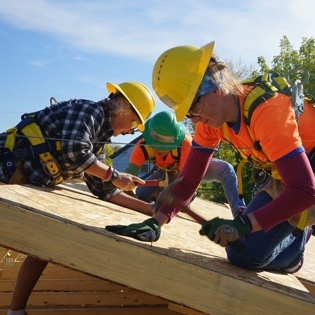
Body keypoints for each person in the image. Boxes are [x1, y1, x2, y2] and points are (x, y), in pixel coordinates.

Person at [106, 41, 315, 275]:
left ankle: (296, 245)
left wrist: (244, 224)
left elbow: (306, 190)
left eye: (193, 107)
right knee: (240, 252)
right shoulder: (210, 123)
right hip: (290, 172)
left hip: (308, 175)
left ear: (215, 86)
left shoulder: (267, 111)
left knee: (250, 252)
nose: (193, 120)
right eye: (188, 113)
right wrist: (157, 221)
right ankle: (293, 228)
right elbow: (188, 181)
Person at [2, 81, 155, 315]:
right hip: (4, 168)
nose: (130, 131)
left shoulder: (99, 137)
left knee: (43, 245)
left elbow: (102, 189)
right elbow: (75, 151)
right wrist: (114, 175)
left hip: (20, 181)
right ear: (122, 108)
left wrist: (147, 209)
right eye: (134, 123)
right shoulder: (90, 111)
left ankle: (15, 312)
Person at [125, 110, 245, 216]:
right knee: (141, 193)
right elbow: (129, 175)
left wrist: (178, 195)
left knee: (226, 169)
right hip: (169, 174)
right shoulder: (142, 146)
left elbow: (185, 180)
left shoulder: (186, 143)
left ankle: (239, 212)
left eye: (165, 146)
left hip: (192, 170)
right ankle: (161, 200)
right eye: (156, 144)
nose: (159, 149)